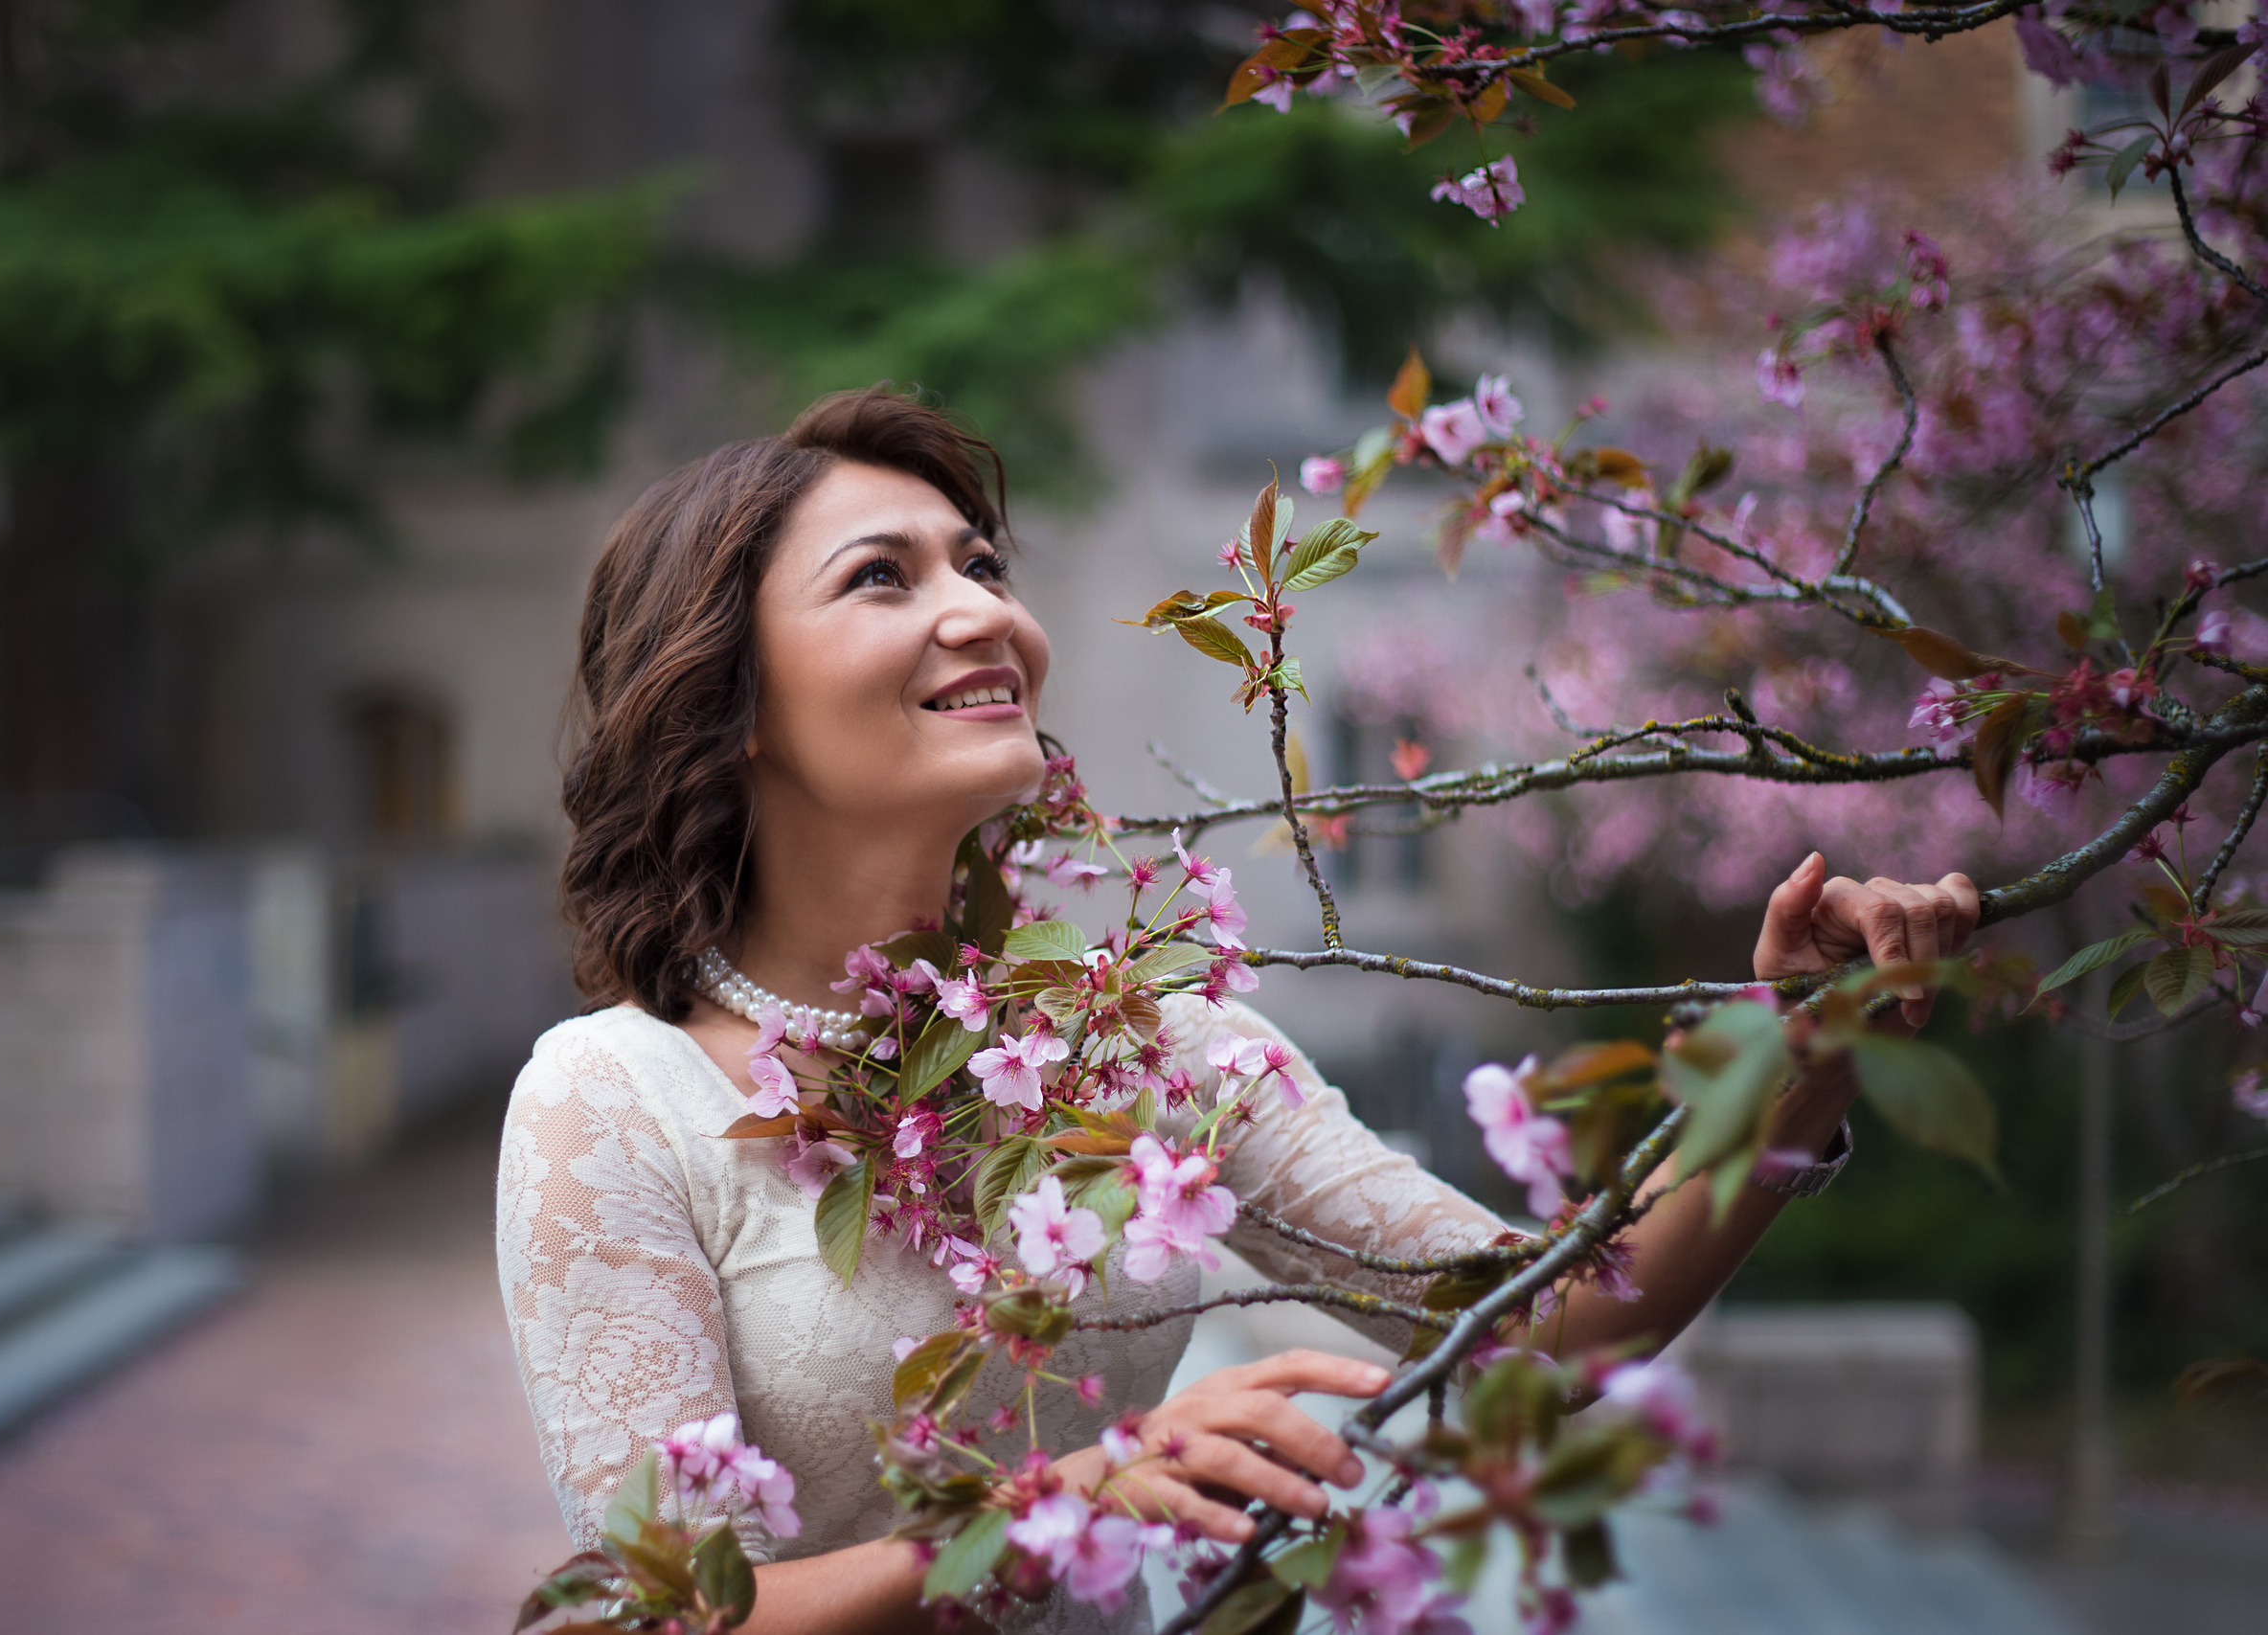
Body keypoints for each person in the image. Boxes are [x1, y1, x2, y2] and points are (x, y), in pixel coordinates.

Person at [496, 388, 1980, 1633]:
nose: (985, 614)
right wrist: (1051, 1507)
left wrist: (1801, 1064)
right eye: (884, 577)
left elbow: (1557, 1319)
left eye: (983, 564)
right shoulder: (619, 1101)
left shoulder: (1150, 1053)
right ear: (731, 699)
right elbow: (658, 1614)